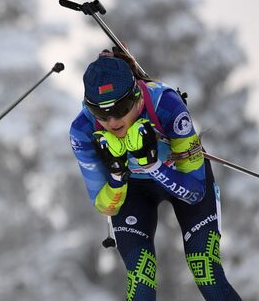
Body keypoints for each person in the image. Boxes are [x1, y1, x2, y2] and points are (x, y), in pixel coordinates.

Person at [69, 50, 241, 300]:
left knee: (206, 270)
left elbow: (194, 193)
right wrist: (117, 176)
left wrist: (153, 166)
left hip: (181, 178)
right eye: (100, 113)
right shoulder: (82, 130)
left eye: (121, 107)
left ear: (137, 96)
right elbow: (104, 205)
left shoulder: (167, 106)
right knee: (140, 280)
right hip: (133, 192)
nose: (113, 121)